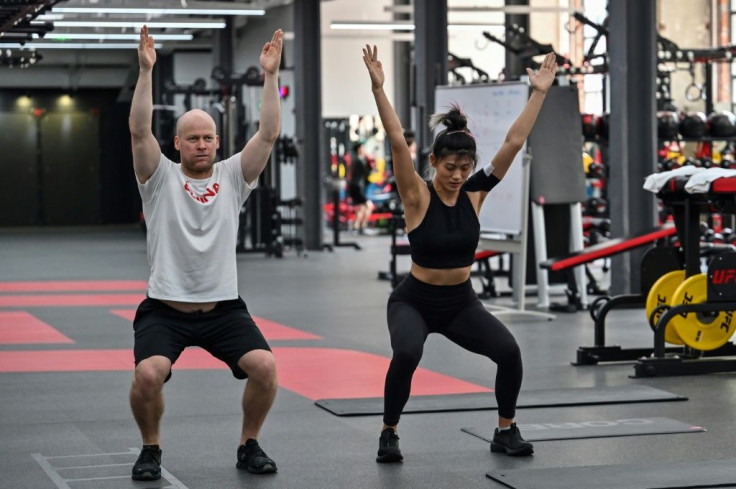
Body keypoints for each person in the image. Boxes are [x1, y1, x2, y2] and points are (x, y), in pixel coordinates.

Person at [362, 44, 556, 462]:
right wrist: (379, 88)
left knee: (509, 352)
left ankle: (505, 431)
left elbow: (514, 140)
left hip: (459, 302)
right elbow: (397, 140)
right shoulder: (416, 195)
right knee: (409, 353)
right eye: (450, 167)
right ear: (433, 162)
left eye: (465, 168)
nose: (457, 176)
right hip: (413, 300)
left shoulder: (475, 193)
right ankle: (389, 431)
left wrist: (538, 92)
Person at [127, 25, 283, 481]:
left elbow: (269, 134)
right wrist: (146, 70)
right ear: (177, 144)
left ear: (218, 142)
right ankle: (151, 450)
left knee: (266, 368)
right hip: (165, 308)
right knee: (148, 376)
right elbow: (139, 129)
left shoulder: (234, 176)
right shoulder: (159, 179)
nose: (200, 144)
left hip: (223, 308)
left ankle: (249, 444)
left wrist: (270, 76)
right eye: (192, 138)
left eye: (208, 138)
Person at [347, 141, 374, 233]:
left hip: (356, 186)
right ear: (358, 149)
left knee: (361, 207)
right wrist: (370, 162)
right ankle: (363, 226)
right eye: (362, 147)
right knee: (369, 206)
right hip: (358, 187)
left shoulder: (356, 160)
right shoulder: (359, 160)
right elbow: (367, 171)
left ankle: (356, 226)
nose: (363, 149)